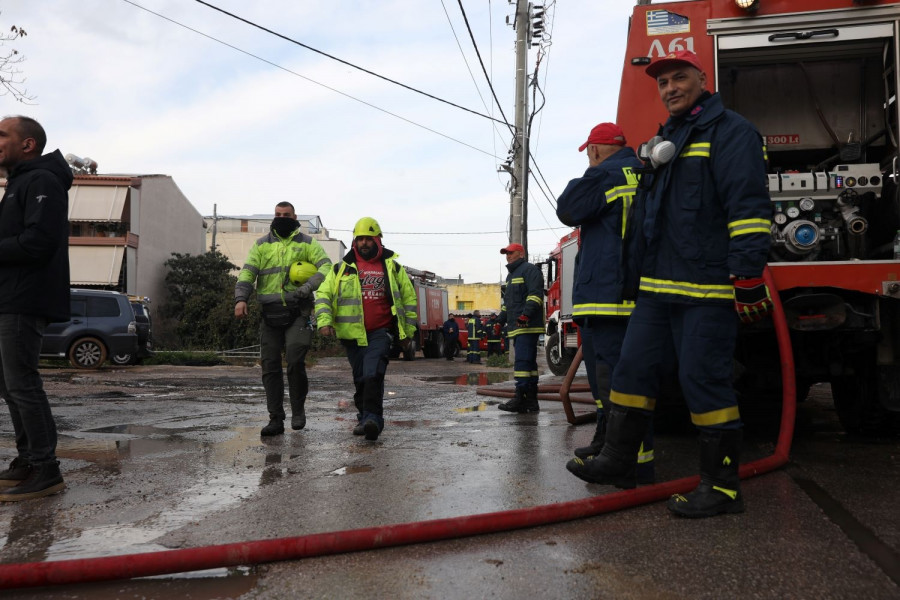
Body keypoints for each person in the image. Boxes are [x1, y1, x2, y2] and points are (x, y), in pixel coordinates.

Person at [566, 50, 773, 518]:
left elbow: (749, 209)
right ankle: (618, 460)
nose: (670, 88)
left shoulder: (733, 133)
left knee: (702, 381)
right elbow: (649, 217)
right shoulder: (666, 138)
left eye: (680, 78)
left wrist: (745, 276)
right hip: (657, 289)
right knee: (632, 374)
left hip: (706, 288)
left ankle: (721, 488)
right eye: (663, 83)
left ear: (702, 79)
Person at [556, 122, 655, 483]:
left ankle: (632, 463)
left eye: (590, 152)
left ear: (595, 150)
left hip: (612, 300)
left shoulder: (609, 177)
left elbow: (567, 207)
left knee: (619, 385)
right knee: (604, 385)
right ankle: (607, 443)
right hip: (611, 300)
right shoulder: (642, 175)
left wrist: (594, 172)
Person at [0, 116, 71, 502]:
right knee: (9, 385)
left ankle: (46, 469)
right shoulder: (21, 182)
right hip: (10, 296)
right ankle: (27, 460)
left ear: (27, 144)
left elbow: (38, 242)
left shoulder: (42, 180)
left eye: (2, 134)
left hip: (25, 299)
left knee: (22, 384)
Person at [315, 217, 417, 441]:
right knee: (361, 378)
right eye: (359, 239)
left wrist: (407, 333)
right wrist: (324, 321)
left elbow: (409, 300)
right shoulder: (341, 268)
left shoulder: (392, 267)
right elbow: (323, 295)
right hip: (351, 336)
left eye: (368, 239)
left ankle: (374, 419)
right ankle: (364, 417)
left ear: (378, 240)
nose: (363, 243)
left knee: (373, 374)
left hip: (380, 332)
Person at [235, 201, 332, 437]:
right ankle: (275, 419)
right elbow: (248, 272)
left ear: (294, 216)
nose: (282, 218)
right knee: (269, 365)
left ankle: (298, 410)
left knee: (296, 358)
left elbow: (327, 267)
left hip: (298, 312)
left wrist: (308, 287)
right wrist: (241, 298)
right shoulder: (261, 245)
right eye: (278, 214)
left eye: (286, 215)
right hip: (270, 314)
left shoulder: (308, 243)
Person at [497, 243, 545, 413]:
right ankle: (531, 401)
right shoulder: (511, 277)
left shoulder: (530, 270)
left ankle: (521, 398)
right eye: (506, 253)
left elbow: (535, 295)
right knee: (529, 365)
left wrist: (526, 315)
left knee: (523, 363)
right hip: (517, 327)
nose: (507, 256)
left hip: (527, 325)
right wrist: (499, 321)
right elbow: (507, 305)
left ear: (520, 253)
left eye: (510, 253)